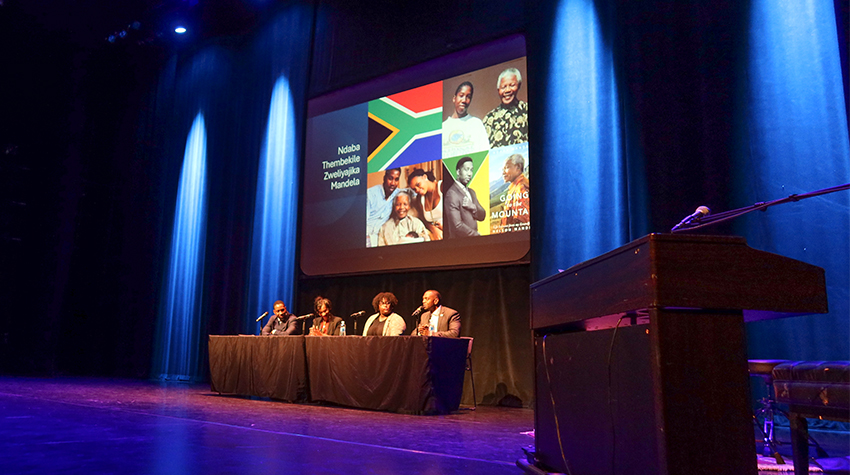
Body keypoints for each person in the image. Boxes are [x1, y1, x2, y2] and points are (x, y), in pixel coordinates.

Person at [442, 81, 491, 157]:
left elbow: (485, 153)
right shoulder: (443, 127)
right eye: (461, 96)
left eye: (468, 97)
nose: (464, 100)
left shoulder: (476, 124)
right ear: (454, 99)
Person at [482, 68, 528, 148]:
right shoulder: (489, 118)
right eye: (503, 87)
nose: (507, 90)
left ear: (519, 86)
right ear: (498, 90)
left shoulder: (527, 110)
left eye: (512, 85)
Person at [444, 157, 486, 238]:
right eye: (466, 169)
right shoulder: (452, 194)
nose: (469, 174)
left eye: (471, 170)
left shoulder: (471, 192)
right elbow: (457, 226)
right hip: (459, 245)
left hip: (473, 244)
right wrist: (476, 235)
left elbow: (482, 216)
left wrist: (473, 207)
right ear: (458, 172)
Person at [366, 168, 404, 247]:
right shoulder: (370, 194)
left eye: (396, 179)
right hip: (366, 237)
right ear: (384, 178)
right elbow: (361, 222)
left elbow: (413, 192)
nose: (393, 183)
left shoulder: (398, 194)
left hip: (380, 239)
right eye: (390, 178)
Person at [407, 168, 443, 241]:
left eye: (418, 184)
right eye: (414, 189)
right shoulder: (420, 199)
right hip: (435, 234)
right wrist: (433, 229)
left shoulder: (442, 186)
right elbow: (423, 219)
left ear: (425, 177)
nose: (417, 190)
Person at [499, 154, 530, 228]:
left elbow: (522, 221)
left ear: (518, 167)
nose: (503, 173)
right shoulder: (515, 187)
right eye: (503, 169)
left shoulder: (521, 188)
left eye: (507, 168)